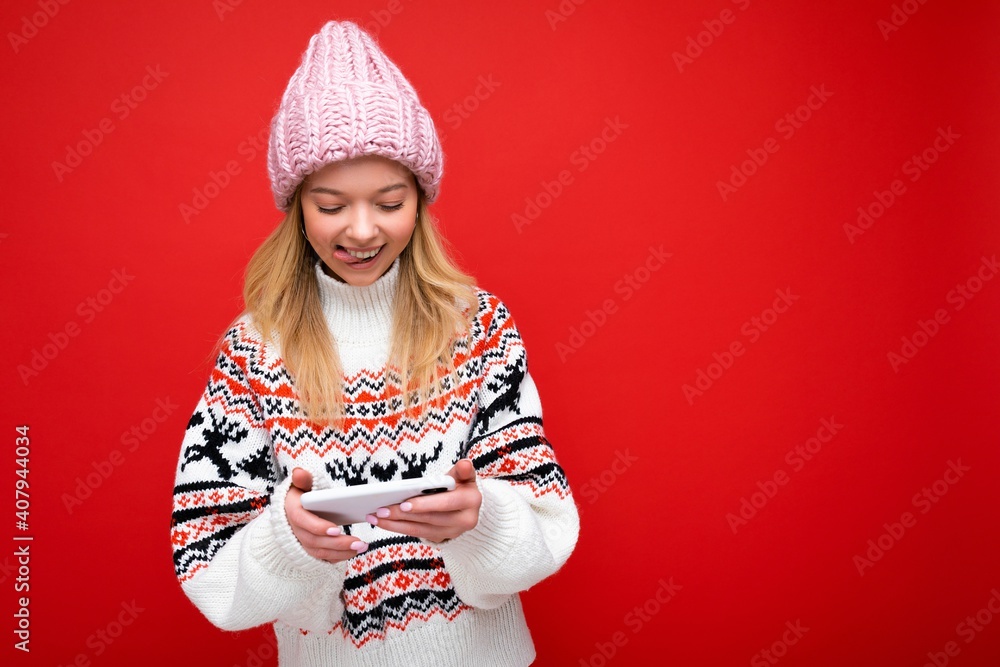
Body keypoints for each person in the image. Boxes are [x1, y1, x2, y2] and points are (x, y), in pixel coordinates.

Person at [169, 20, 580, 667]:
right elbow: (208, 568)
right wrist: (289, 540)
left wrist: (481, 520)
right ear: (296, 208)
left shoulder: (478, 329)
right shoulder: (253, 354)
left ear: (420, 200)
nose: (362, 231)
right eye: (331, 205)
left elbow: (547, 527)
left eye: (389, 202)